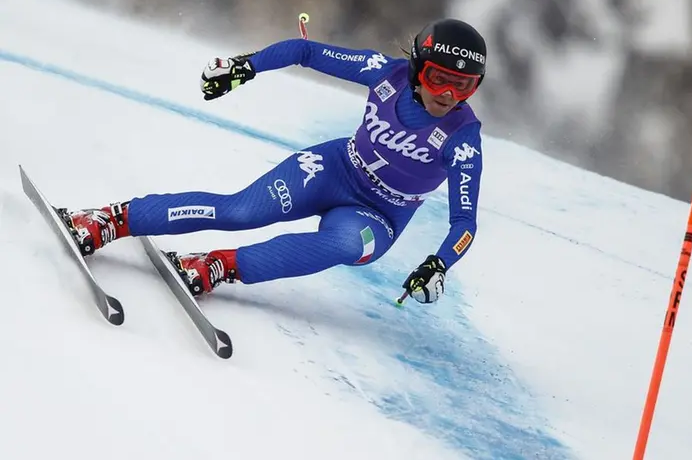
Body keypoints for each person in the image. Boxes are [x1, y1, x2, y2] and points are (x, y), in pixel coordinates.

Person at [63, 18, 486, 305]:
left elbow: (464, 223)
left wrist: (439, 264)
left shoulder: (463, 138)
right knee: (240, 210)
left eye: (464, 87)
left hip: (380, 215)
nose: (448, 95)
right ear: (415, 69)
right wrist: (243, 67)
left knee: (342, 245)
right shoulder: (383, 72)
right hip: (336, 168)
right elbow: (305, 52)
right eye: (438, 79)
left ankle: (219, 266)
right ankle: (111, 219)